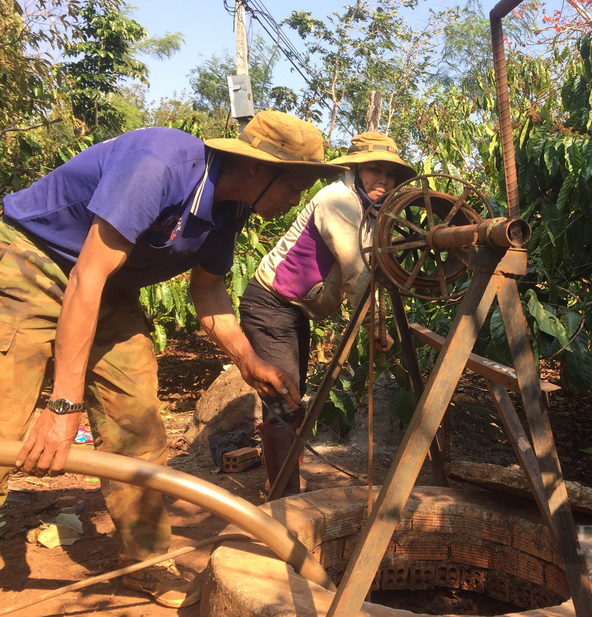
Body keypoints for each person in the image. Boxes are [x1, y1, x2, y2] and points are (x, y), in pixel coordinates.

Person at [0, 111, 346, 608]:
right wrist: (62, 407)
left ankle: (143, 561)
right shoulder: (158, 164)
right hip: (32, 261)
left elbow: (206, 290)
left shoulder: (232, 209)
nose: (297, 200)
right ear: (256, 168)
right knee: (4, 423)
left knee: (136, 419)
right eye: (294, 185)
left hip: (108, 286)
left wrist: (250, 362)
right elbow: (85, 277)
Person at [239, 132, 415, 495]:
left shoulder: (369, 212)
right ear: (356, 170)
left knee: (292, 394)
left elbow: (373, 269)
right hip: (270, 303)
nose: (384, 180)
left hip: (292, 310)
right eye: (375, 170)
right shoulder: (339, 200)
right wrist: (376, 325)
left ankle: (283, 477)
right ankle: (283, 497)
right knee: (281, 398)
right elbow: (357, 271)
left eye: (391, 174)